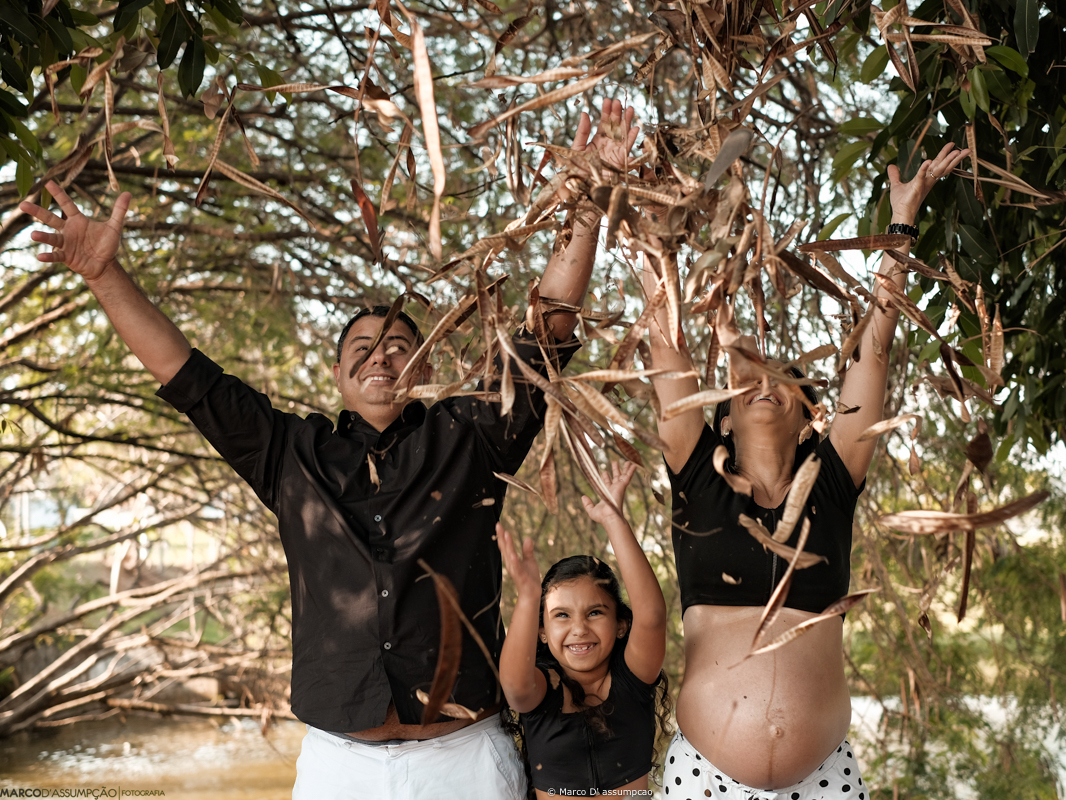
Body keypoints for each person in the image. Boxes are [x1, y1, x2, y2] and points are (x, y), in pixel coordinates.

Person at [20, 97, 641, 800]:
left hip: (465, 759)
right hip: (340, 766)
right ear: (338, 373)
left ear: (425, 367)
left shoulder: (469, 437)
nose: (382, 358)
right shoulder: (288, 452)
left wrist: (588, 204)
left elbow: (546, 337)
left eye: (401, 347)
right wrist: (105, 274)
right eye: (363, 349)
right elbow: (188, 377)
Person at [643, 144, 970, 799]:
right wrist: (654, 237)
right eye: (746, 379)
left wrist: (899, 232)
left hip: (823, 779)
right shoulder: (697, 480)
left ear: (808, 415)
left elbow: (872, 355)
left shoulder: (831, 483)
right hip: (706, 776)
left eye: (783, 380)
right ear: (722, 418)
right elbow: (666, 346)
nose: (765, 384)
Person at [496, 461, 668, 799]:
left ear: (620, 625)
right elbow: (515, 688)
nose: (579, 628)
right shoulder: (543, 690)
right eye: (561, 615)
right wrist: (529, 597)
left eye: (594, 612)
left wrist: (613, 521)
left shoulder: (634, 680)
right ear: (542, 632)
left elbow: (651, 616)